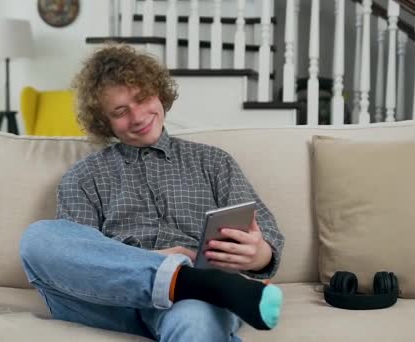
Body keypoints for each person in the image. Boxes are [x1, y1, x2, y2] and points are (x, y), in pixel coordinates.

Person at [19, 43, 285, 341]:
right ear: (104, 121)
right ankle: (191, 281)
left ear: (159, 92)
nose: (137, 117)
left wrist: (257, 254)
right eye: (120, 111)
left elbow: (268, 237)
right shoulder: (83, 177)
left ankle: (194, 287)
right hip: (111, 304)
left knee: (196, 322)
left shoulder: (213, 162)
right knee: (37, 238)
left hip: (188, 305)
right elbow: (78, 261)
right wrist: (160, 261)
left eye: (142, 98)